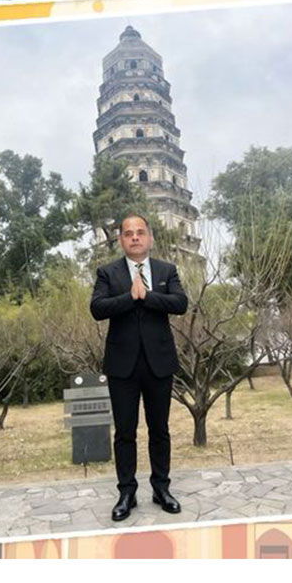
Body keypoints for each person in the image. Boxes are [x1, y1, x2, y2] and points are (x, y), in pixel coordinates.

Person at [89, 214, 189, 523]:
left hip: (159, 362)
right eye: (128, 233)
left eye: (140, 232)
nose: (134, 237)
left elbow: (180, 303)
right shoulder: (108, 272)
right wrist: (128, 299)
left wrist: (147, 296)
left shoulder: (166, 270)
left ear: (150, 238)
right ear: (120, 239)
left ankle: (161, 488)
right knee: (125, 432)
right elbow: (97, 309)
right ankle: (127, 493)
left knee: (160, 431)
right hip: (123, 366)